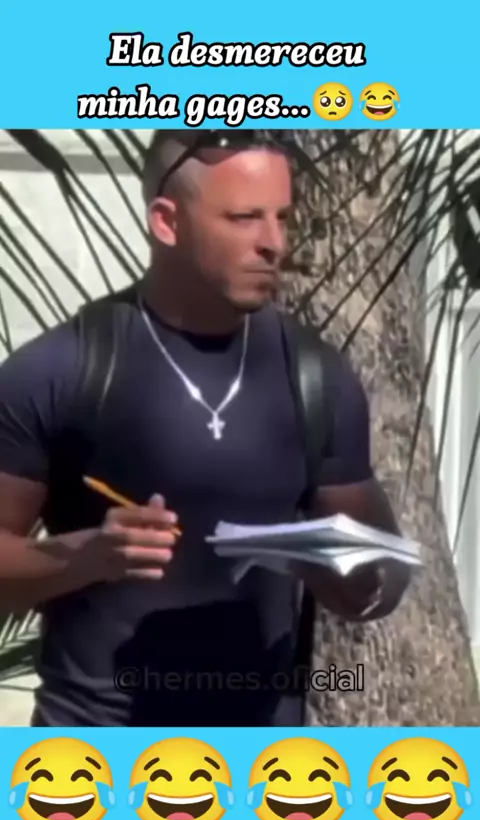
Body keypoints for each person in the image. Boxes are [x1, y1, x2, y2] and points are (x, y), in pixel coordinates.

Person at [0, 129, 409, 727]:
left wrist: (351, 576)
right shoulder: (61, 370)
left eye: (281, 217)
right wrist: (85, 555)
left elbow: (383, 572)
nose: (274, 243)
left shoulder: (316, 376)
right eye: (244, 218)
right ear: (167, 222)